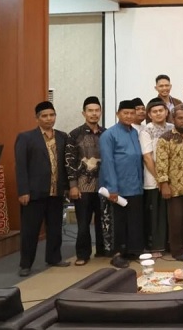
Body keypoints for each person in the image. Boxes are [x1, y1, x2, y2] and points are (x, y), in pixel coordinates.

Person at [15, 101, 70, 277]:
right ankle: (26, 264)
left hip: (56, 191)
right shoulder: (26, 137)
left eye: (51, 115)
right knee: (30, 230)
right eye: (44, 116)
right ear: (37, 118)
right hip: (34, 193)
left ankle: (54, 257)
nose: (49, 119)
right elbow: (21, 166)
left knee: (55, 227)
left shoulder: (63, 137)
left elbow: (67, 165)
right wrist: (23, 191)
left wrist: (68, 187)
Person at [99, 100, 144, 268]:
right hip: (117, 187)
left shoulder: (134, 132)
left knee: (133, 221)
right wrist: (112, 187)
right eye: (125, 113)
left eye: (132, 113)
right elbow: (108, 162)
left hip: (135, 186)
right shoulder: (109, 135)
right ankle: (116, 254)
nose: (129, 116)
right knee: (117, 222)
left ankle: (131, 251)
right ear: (118, 114)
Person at [66, 96, 106, 265]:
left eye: (97, 110)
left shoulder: (106, 133)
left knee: (103, 220)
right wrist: (73, 186)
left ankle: (103, 250)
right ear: (84, 113)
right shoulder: (75, 134)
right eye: (90, 110)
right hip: (82, 185)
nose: (94, 114)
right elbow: (69, 162)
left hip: (103, 185)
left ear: (101, 112)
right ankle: (83, 254)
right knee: (83, 223)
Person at [155, 105, 183, 261]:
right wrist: (164, 184)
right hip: (174, 187)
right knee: (176, 220)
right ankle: (177, 251)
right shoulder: (166, 138)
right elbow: (160, 163)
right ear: (173, 119)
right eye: (180, 118)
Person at [140, 98, 174, 256]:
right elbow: (147, 158)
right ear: (149, 114)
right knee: (155, 214)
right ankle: (155, 247)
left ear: (167, 112)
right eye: (155, 111)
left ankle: (168, 243)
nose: (158, 113)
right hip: (153, 179)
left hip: (172, 178)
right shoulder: (146, 131)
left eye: (161, 110)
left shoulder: (172, 128)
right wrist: (160, 179)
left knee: (169, 213)